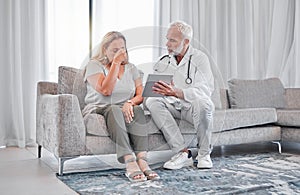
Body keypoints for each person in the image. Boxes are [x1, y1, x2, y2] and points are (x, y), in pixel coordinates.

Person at [83, 31, 159, 182]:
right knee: (114, 109)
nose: (119, 53)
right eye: (114, 50)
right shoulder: (94, 65)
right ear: (104, 50)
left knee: (137, 109)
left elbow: (140, 95)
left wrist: (130, 103)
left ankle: (142, 160)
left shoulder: (132, 68)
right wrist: (116, 64)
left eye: (122, 49)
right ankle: (129, 161)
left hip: (123, 106)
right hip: (99, 107)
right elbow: (106, 90)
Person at [145, 21, 215, 170]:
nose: (167, 44)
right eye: (167, 39)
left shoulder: (200, 59)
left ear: (186, 42)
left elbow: (205, 90)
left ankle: (204, 154)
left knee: (203, 104)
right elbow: (153, 90)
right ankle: (183, 154)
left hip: (192, 107)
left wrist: (176, 91)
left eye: (172, 40)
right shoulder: (163, 61)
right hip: (174, 106)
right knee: (152, 101)